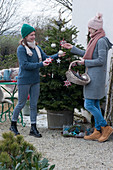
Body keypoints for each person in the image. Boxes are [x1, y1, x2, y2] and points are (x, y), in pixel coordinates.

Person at [62, 13, 113, 142]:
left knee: (89, 104)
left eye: (90, 28)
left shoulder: (101, 41)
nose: (88, 30)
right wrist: (72, 48)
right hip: (92, 76)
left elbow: (101, 60)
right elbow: (88, 54)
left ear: (95, 28)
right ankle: (97, 131)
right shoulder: (95, 39)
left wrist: (85, 63)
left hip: (96, 78)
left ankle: (105, 127)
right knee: (94, 103)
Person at [10, 23, 65, 137]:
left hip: (35, 80)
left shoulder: (37, 48)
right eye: (31, 35)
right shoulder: (21, 49)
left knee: (34, 105)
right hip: (24, 80)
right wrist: (41, 64)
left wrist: (57, 56)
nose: (33, 37)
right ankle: (13, 125)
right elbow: (25, 65)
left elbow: (46, 58)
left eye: (34, 34)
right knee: (21, 103)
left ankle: (33, 128)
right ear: (25, 36)